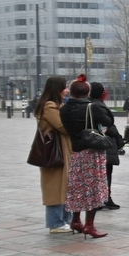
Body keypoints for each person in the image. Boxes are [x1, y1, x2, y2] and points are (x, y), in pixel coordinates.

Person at [60, 76, 111, 238]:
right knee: (93, 188)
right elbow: (109, 120)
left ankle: (76, 219)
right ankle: (90, 225)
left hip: (76, 152)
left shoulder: (64, 109)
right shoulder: (93, 107)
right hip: (92, 152)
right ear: (87, 91)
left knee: (77, 187)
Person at [35, 76, 74, 233]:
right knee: (55, 187)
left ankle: (64, 220)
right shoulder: (49, 106)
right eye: (65, 87)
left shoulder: (57, 105)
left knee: (64, 186)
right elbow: (62, 126)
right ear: (56, 89)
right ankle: (55, 223)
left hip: (63, 151)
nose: (67, 90)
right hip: (54, 153)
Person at [89, 82, 124, 210]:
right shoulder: (97, 106)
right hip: (103, 143)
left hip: (95, 142)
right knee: (105, 173)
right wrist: (112, 131)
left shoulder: (88, 104)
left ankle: (100, 198)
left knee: (98, 173)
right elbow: (107, 124)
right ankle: (103, 198)